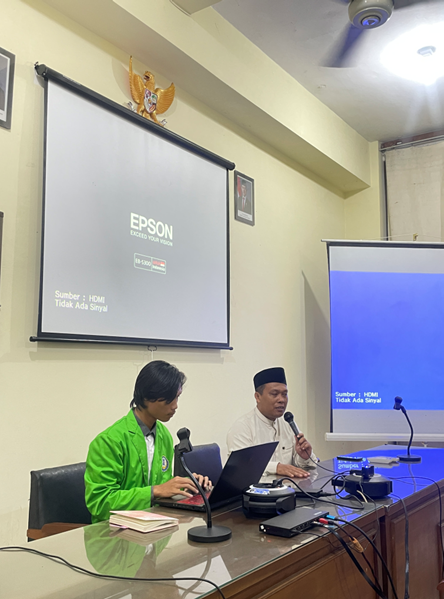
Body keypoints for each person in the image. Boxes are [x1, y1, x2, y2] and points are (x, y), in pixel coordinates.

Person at [85, 360, 210, 523]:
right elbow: (100, 503)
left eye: (177, 397)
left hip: (154, 526)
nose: (175, 406)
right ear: (147, 397)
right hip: (114, 531)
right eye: (169, 399)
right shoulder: (109, 441)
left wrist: (186, 485)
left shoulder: (164, 435)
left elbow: (161, 485)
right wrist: (154, 491)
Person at [226, 367, 316, 479]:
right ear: (258, 397)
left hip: (289, 487)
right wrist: (276, 468)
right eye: (274, 394)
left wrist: (304, 457)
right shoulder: (242, 427)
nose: (281, 400)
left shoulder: (288, 423)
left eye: (284, 394)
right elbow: (242, 467)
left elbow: (304, 466)